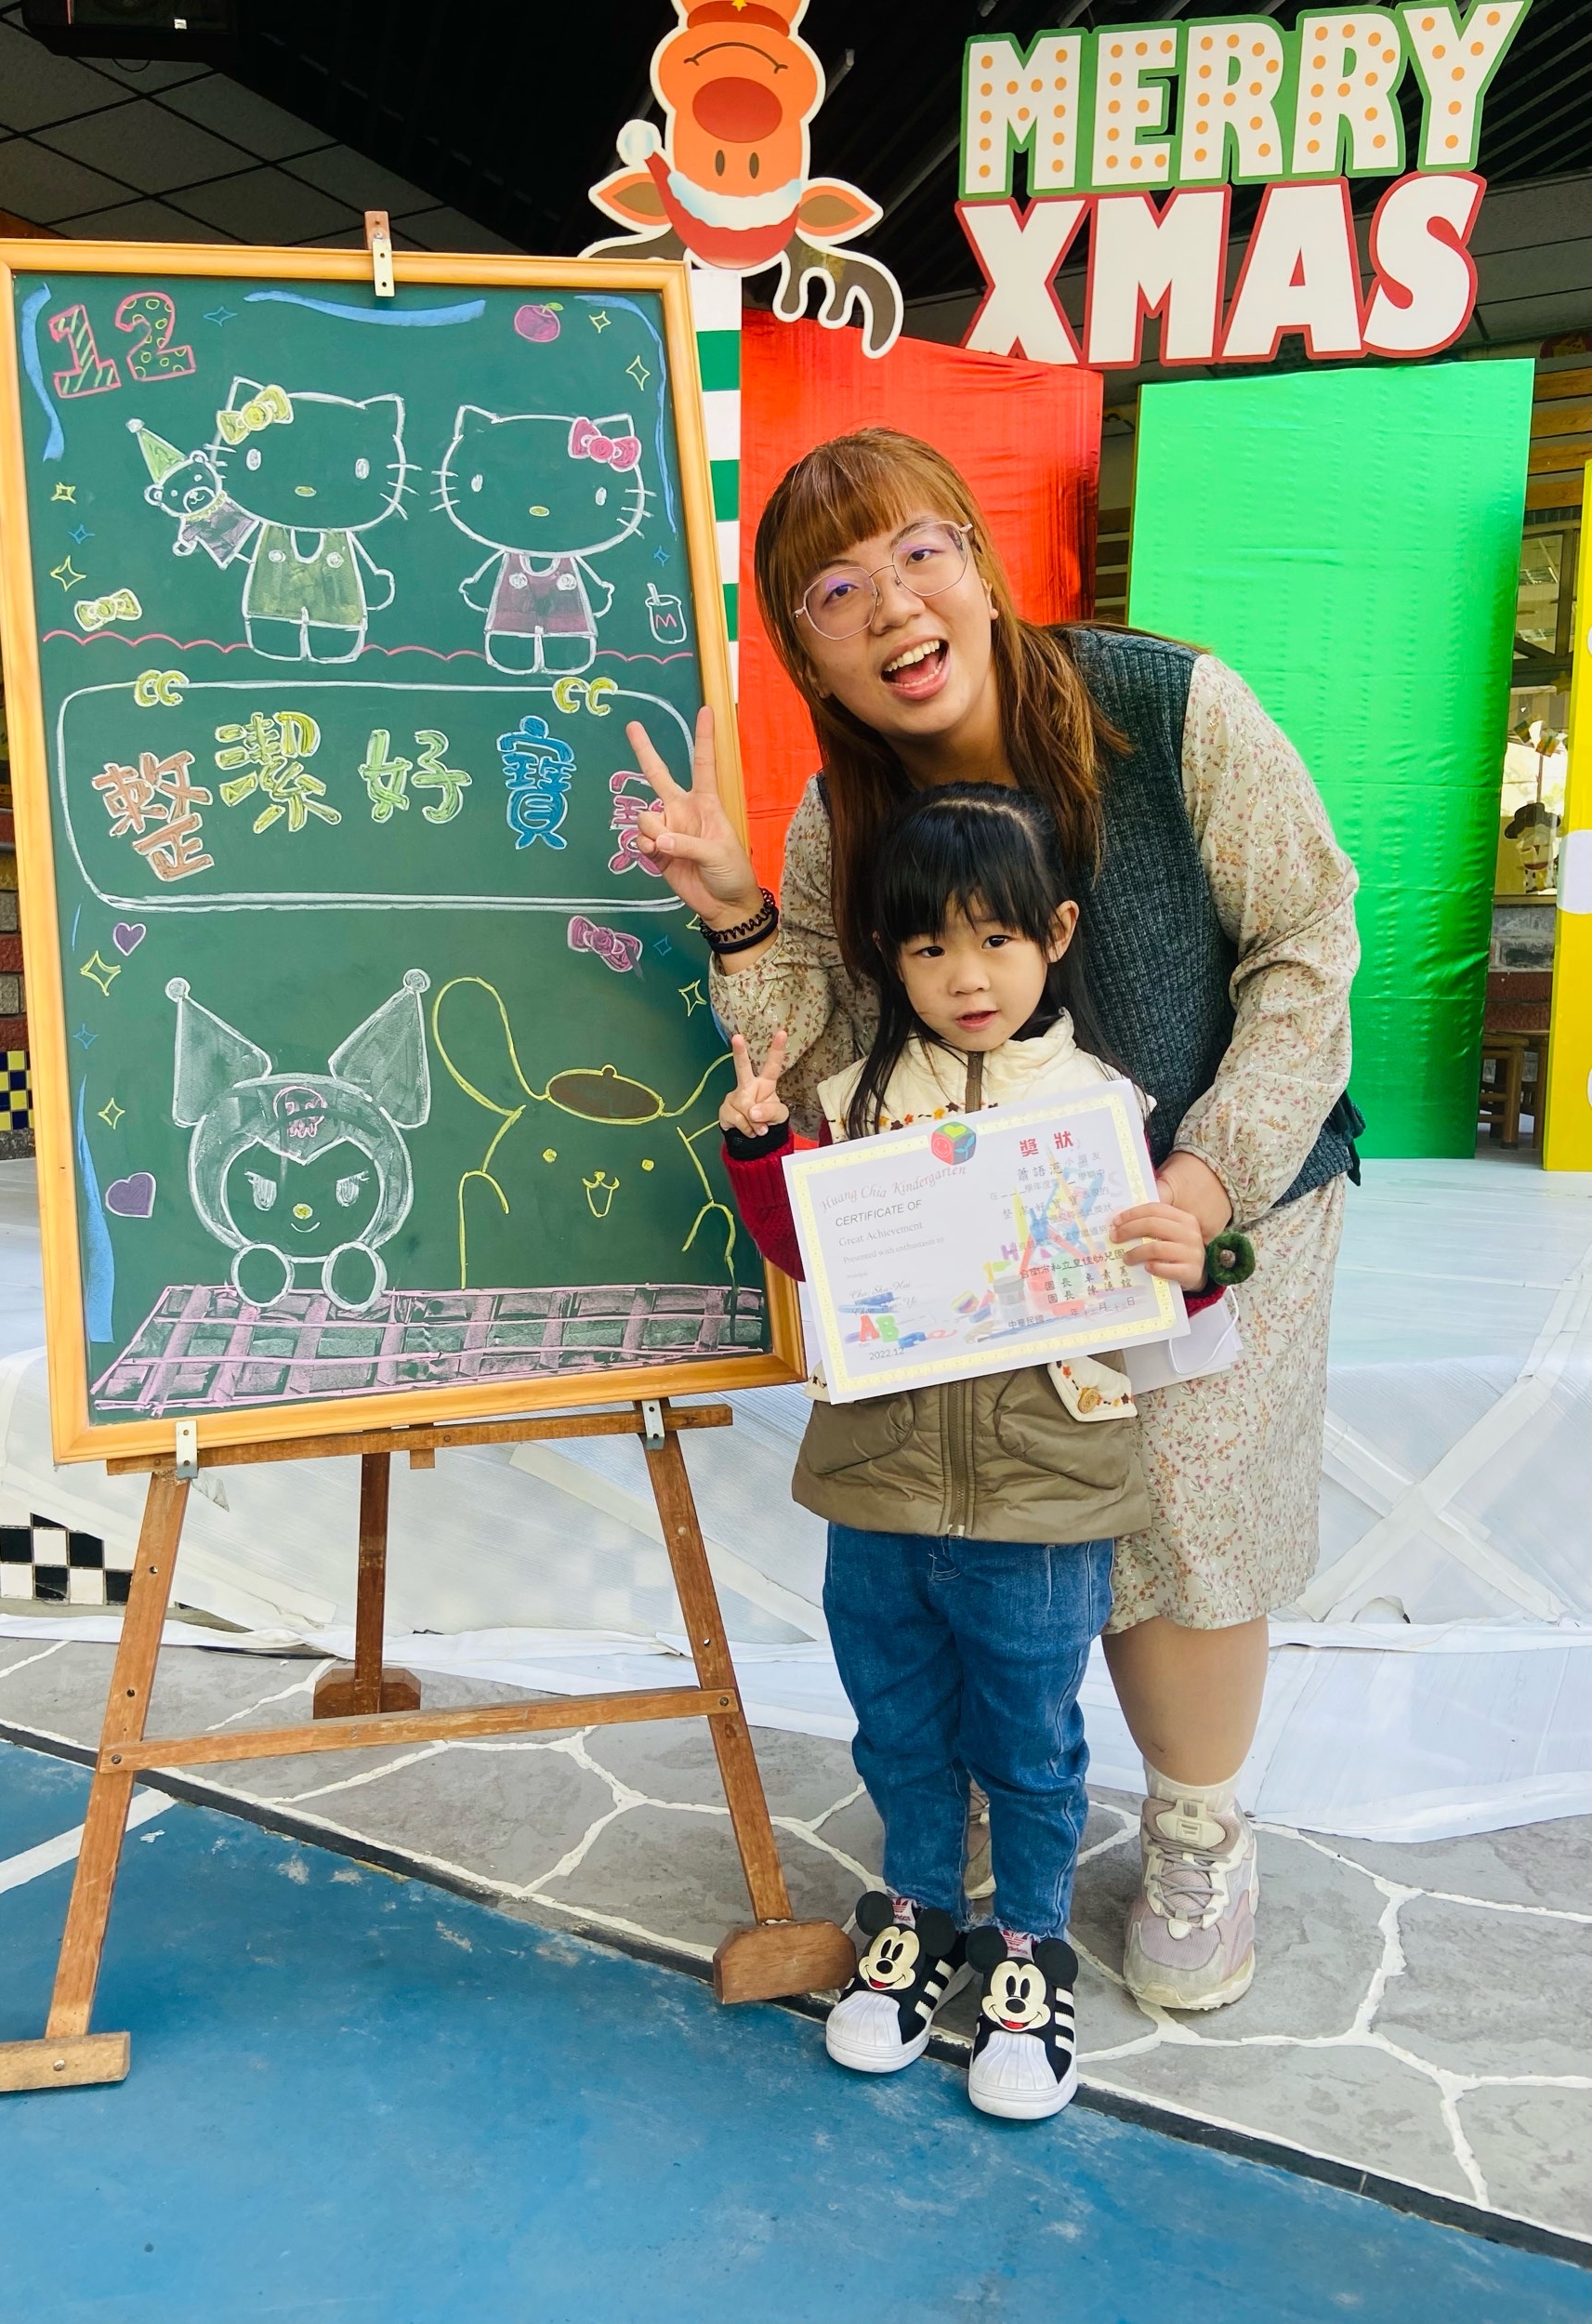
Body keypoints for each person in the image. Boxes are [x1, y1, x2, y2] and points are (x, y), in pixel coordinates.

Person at [624, 429, 1361, 2016]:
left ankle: (1196, 1829)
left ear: (976, 555)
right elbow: (822, 1048)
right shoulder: (843, 807)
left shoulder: (1170, 708)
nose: (890, 603)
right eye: (834, 590)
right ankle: (965, 1788)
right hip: (990, 1253)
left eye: (917, 553)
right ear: (809, 649)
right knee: (967, 1514)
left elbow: (1308, 942)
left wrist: (1209, 1175)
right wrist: (740, 909)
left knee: (1182, 1516)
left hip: (1204, 1201)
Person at [720, 782, 1227, 2119]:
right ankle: (919, 1914)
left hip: (1046, 1501)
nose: (967, 975)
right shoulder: (857, 1102)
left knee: (1030, 1739)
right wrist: (765, 1154)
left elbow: (1161, 1294)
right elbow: (808, 1255)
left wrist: (1197, 1259)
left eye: (997, 939)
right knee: (895, 1723)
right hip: (876, 1486)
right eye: (930, 947)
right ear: (891, 960)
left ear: (1055, 935)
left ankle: (1030, 1949)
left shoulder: (1107, 1111)